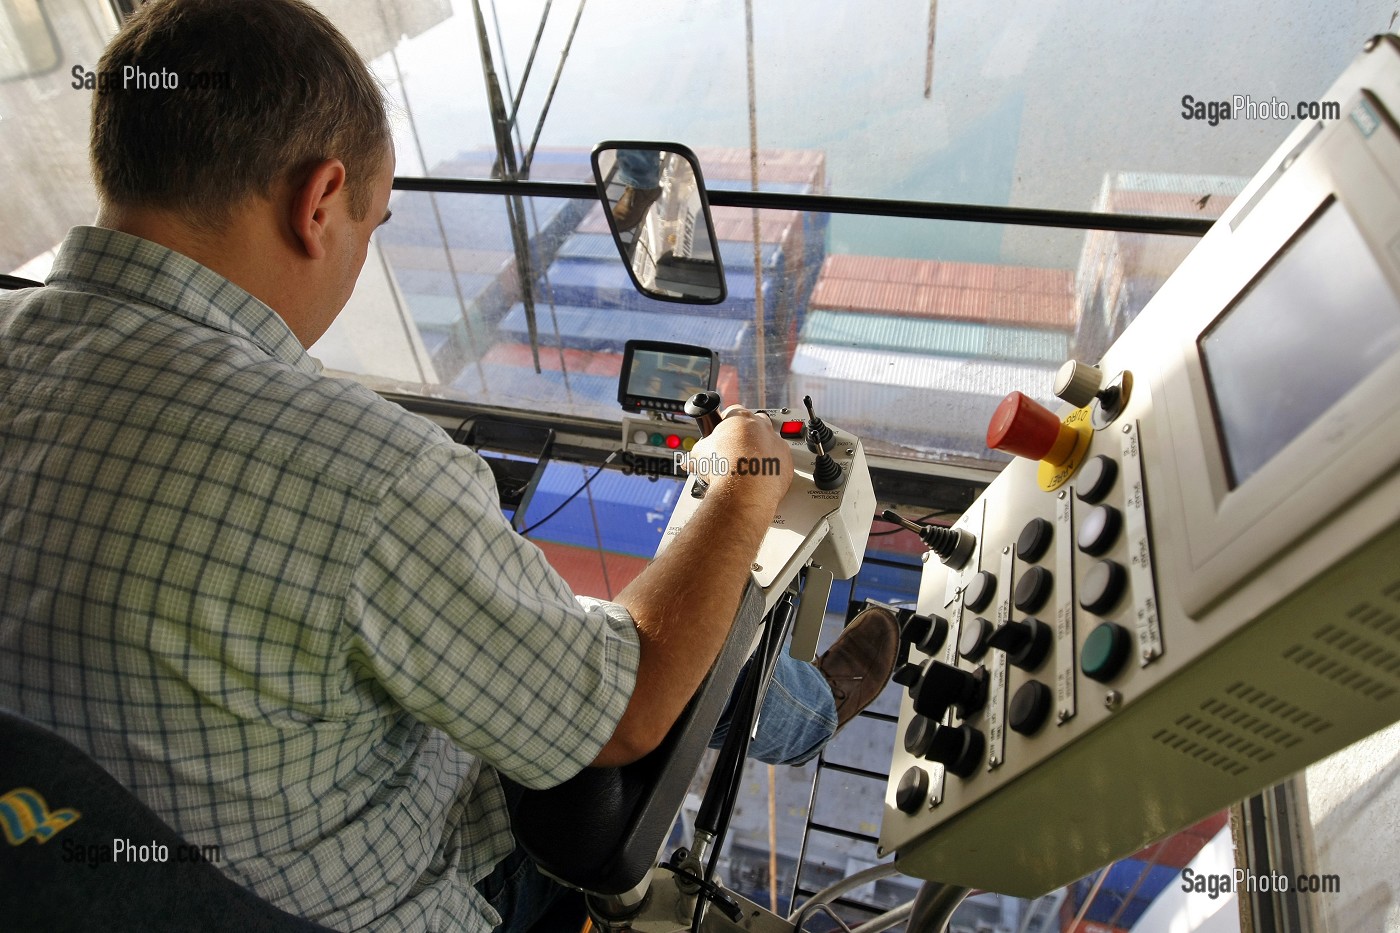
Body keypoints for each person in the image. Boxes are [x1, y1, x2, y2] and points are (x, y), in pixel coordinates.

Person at [0, 2, 899, 931]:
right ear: (317, 205)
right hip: (418, 890)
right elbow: (623, 707)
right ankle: (812, 712)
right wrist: (744, 471)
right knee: (650, 632)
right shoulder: (357, 469)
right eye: (374, 222)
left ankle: (807, 707)